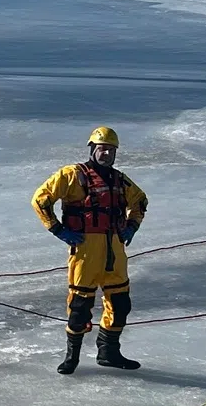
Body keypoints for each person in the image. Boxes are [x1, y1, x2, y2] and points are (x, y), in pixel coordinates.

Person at [32, 125, 150, 375]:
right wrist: (57, 229)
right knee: (79, 308)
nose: (106, 154)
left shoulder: (120, 180)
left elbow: (140, 201)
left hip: (115, 251)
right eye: (101, 149)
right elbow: (41, 200)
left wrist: (131, 227)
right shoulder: (72, 175)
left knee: (120, 305)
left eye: (110, 150)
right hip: (85, 251)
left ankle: (109, 353)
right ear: (92, 149)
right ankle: (71, 357)